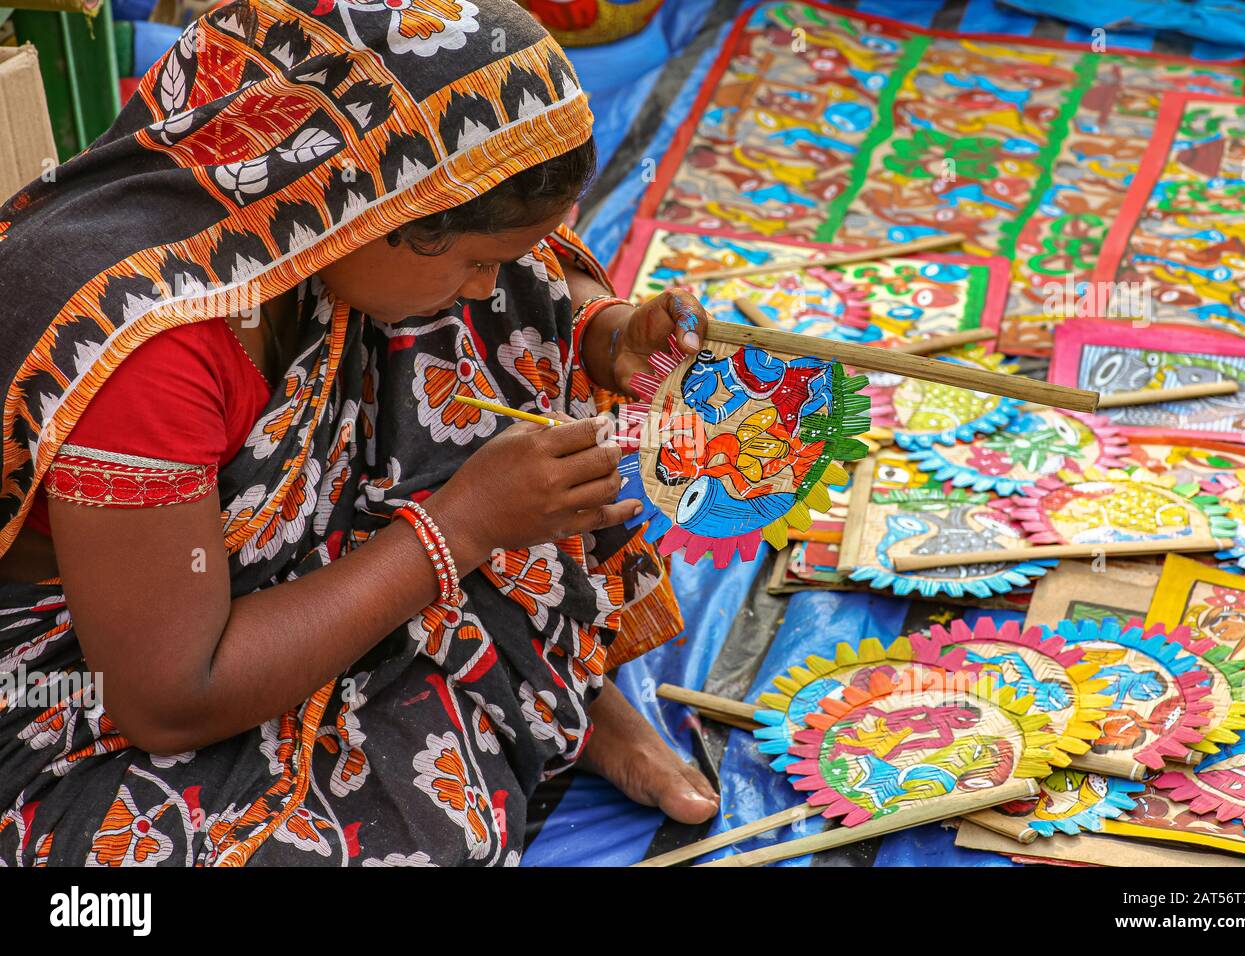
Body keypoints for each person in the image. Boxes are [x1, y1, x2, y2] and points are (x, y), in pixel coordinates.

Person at [0, 0, 718, 866]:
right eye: (478, 258)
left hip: (268, 590)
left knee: (477, 307)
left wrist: (608, 342)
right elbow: (168, 703)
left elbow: (510, 288)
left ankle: (570, 690)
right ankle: (533, 684)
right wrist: (463, 527)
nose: (492, 287)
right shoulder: (148, 353)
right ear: (367, 205)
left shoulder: (307, 217)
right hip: (79, 680)